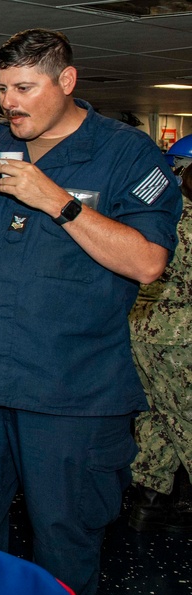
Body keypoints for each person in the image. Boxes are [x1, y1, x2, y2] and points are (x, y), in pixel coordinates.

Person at [0, 29, 182, 595]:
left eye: (25, 88)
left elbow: (148, 263)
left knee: (64, 541)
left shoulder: (125, 153)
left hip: (70, 392)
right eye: (2, 88)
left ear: (66, 81)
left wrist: (57, 202)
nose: (10, 103)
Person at [128, 157, 192, 533]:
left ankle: (149, 504)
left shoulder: (158, 209)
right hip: (179, 339)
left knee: (155, 418)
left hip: (141, 331)